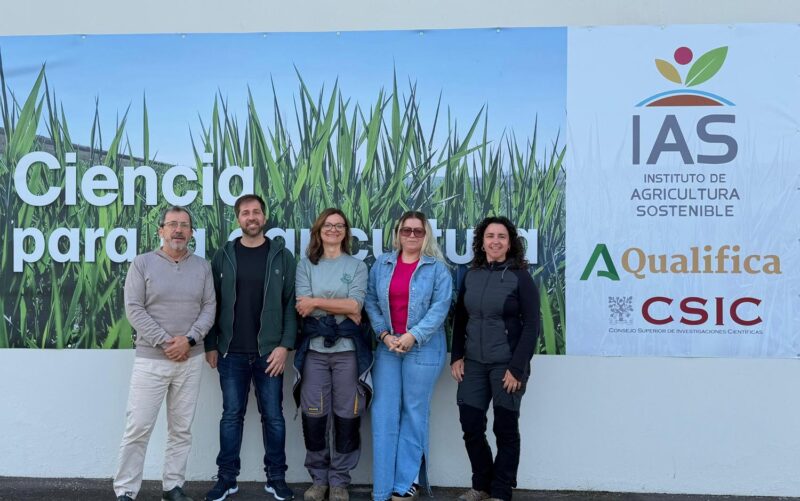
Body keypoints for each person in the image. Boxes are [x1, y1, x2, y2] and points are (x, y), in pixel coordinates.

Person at [113, 206, 216, 501]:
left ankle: (173, 487)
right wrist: (167, 342)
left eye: (184, 225)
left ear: (192, 233)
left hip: (190, 359)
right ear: (161, 230)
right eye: (172, 224)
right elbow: (134, 309)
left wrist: (190, 340)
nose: (178, 230)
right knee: (138, 427)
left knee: (181, 429)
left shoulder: (203, 267)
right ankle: (126, 490)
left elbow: (209, 307)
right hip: (152, 360)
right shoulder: (142, 263)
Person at [203, 194, 297, 501]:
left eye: (256, 212)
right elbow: (212, 303)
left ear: (264, 217)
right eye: (245, 213)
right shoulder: (224, 255)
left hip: (269, 353)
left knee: (273, 417)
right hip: (231, 352)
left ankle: (276, 478)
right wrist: (211, 344)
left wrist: (284, 346)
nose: (251, 217)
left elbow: (290, 304)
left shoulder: (282, 256)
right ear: (238, 219)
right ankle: (226, 479)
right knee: (231, 416)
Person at [450, 216, 540, 501]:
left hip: (506, 365)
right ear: (482, 242)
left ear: (510, 243)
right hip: (474, 364)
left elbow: (532, 326)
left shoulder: (520, 277)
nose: (495, 241)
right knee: (471, 425)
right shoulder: (471, 275)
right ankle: (482, 484)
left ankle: (500, 490)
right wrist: (457, 356)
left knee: (505, 428)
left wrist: (517, 368)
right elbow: (460, 319)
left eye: (502, 236)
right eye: (490, 236)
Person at [364, 211, 453, 501]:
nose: (412, 235)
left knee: (414, 413)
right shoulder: (383, 264)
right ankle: (382, 488)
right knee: (383, 413)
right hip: (388, 347)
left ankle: (404, 484)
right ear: (398, 233)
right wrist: (384, 334)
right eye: (406, 230)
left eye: (418, 231)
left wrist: (412, 335)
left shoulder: (437, 269)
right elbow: (370, 300)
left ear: (426, 235)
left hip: (423, 347)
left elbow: (440, 308)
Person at [292, 208, 372, 501]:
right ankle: (319, 480)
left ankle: (339, 481)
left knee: (347, 415)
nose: (333, 229)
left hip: (348, 353)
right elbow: (303, 307)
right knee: (314, 415)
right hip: (314, 352)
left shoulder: (357, 266)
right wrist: (337, 305)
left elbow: (355, 306)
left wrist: (317, 302)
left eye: (339, 225)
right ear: (318, 229)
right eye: (328, 224)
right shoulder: (305, 266)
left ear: (346, 232)